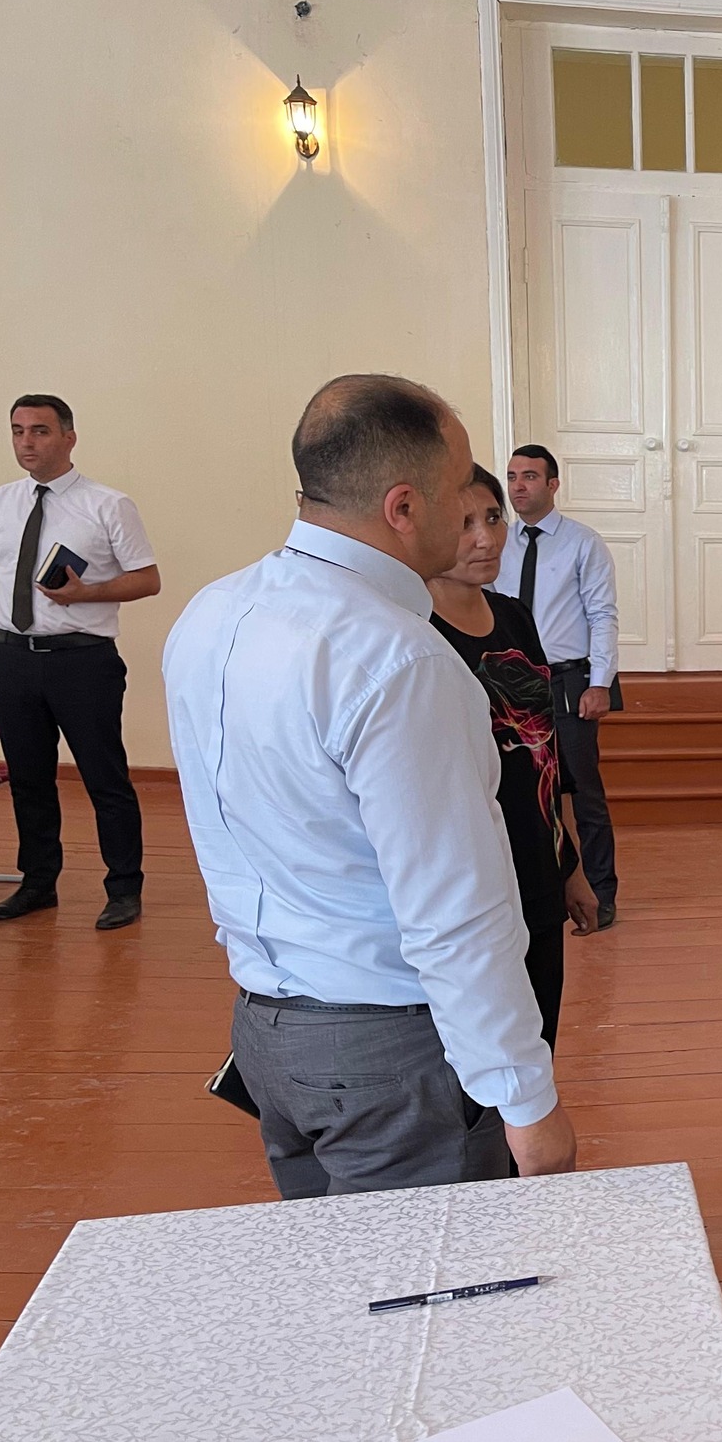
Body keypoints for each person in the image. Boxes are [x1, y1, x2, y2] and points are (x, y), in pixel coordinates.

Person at [163, 374, 577, 1197]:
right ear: (404, 507)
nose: (475, 506)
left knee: (337, 1271)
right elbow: (453, 911)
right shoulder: (400, 658)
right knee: (433, 1276)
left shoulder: (212, 612)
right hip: (389, 1051)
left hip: (267, 1028)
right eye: (460, 486)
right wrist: (527, 1100)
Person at [0, 394, 160, 930]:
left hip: (82, 662)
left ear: (69, 437)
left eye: (40, 431)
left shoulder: (108, 504)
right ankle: (38, 883)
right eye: (17, 431)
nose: (26, 442)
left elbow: (147, 579)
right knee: (29, 778)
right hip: (11, 659)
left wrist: (86, 594)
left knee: (104, 778)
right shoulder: (1, 501)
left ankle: (124, 888)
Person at [427, 464, 600, 1046]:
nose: (486, 539)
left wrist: (571, 868)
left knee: (538, 1040)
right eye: (464, 524)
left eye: (493, 518)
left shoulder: (514, 618)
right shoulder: (413, 631)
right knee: (477, 1050)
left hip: (538, 868)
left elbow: (548, 754)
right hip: (469, 884)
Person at [495, 444, 622, 931]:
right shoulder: (496, 542)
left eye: (530, 476)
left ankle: (602, 892)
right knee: (518, 789)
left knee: (583, 793)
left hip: (568, 681)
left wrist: (600, 683)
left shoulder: (582, 543)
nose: (518, 486)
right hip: (510, 680)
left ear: (553, 485)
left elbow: (602, 615)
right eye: (512, 476)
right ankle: (532, 893)